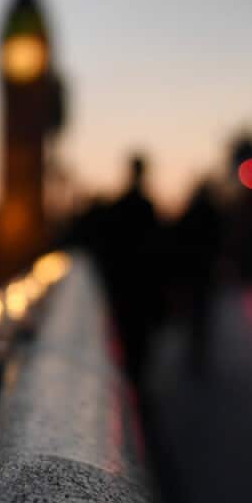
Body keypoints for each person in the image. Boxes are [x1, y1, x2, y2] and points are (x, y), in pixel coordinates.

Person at [92, 154, 161, 390]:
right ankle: (135, 391)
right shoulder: (144, 206)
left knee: (129, 345)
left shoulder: (123, 206)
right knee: (137, 347)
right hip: (138, 288)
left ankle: (131, 392)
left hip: (127, 288)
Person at [174, 181, 224, 376]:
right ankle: (198, 354)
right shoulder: (210, 214)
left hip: (195, 272)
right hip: (203, 272)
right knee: (201, 315)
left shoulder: (194, 214)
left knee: (197, 314)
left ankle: (195, 354)